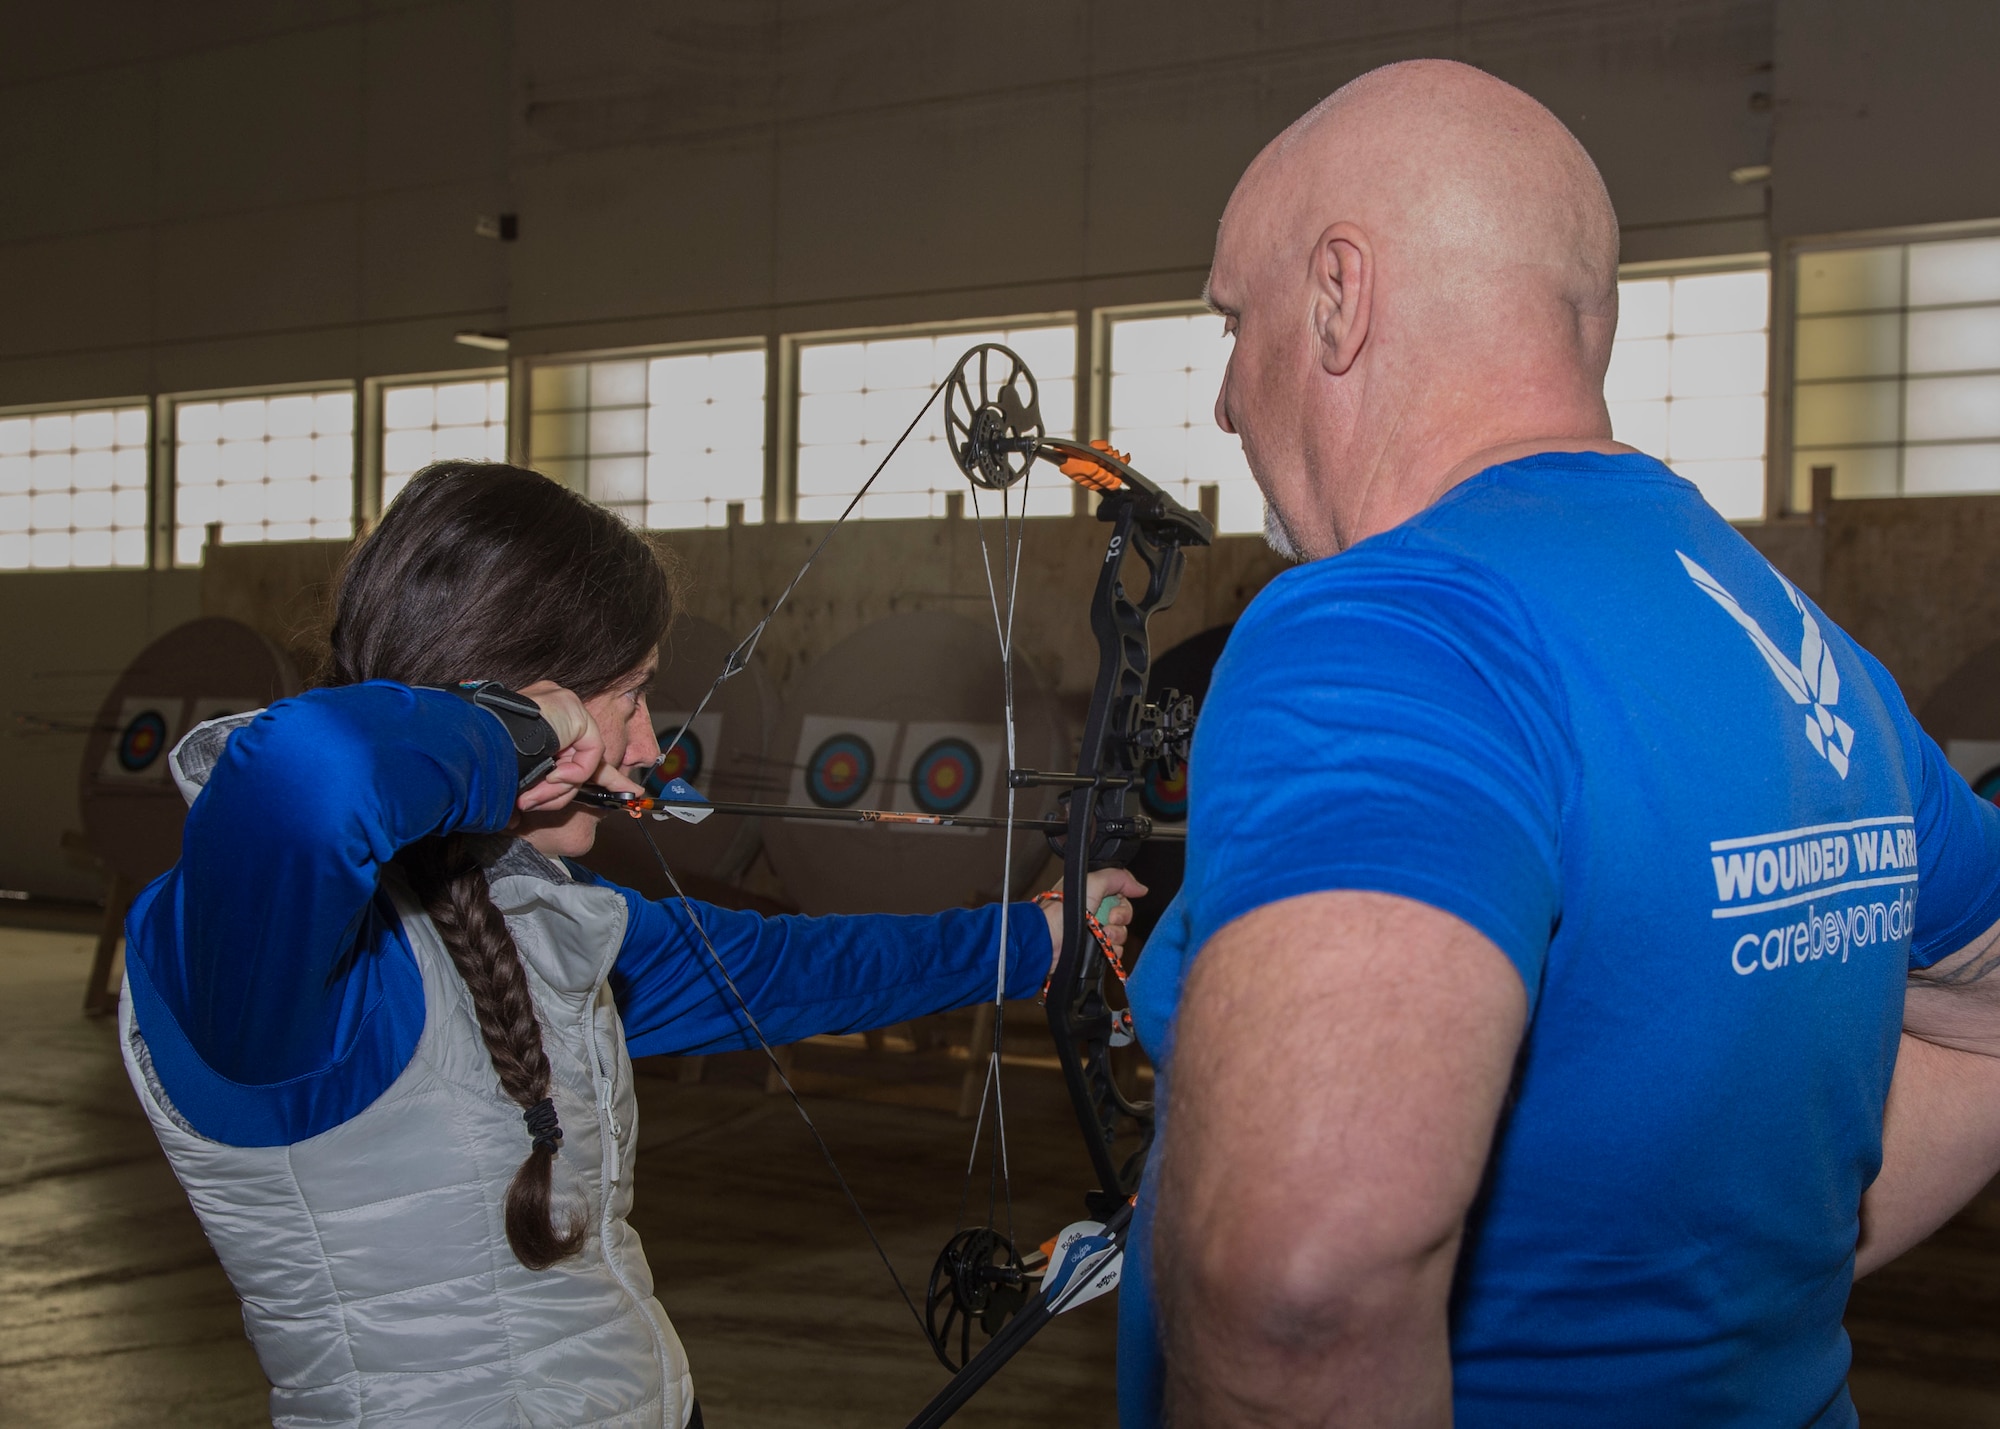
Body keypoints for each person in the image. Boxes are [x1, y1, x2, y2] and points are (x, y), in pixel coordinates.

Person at [1118, 59, 2000, 1428]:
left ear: (1342, 295)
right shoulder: (1794, 641)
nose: (1228, 399)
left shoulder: (1388, 626)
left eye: (1237, 318)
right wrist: (1726, 1285)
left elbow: (1300, 1291)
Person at [118, 460, 1141, 1429]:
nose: (649, 747)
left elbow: (786, 970)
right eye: (628, 694)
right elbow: (310, 776)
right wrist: (517, 734)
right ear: (519, 701)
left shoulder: (537, 916)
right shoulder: (259, 955)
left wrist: (1038, 938)